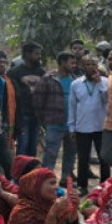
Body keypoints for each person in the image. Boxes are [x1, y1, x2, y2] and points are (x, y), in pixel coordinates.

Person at [33, 51, 77, 181]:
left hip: (72, 125)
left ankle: (66, 179)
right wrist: (45, 121)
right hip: (54, 123)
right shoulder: (48, 79)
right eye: (71, 63)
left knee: (70, 154)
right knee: (51, 153)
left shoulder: (75, 80)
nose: (74, 65)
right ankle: (46, 179)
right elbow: (37, 102)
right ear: (62, 63)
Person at [69, 55, 109, 194]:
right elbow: (72, 106)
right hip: (82, 127)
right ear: (82, 66)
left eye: (93, 64)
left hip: (101, 126)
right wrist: (71, 127)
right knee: (83, 157)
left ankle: (105, 185)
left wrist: (100, 83)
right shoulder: (76, 84)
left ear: (97, 66)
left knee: (103, 157)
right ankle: (82, 186)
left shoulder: (105, 82)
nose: (90, 67)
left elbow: (107, 100)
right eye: (87, 64)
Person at [8, 41, 46, 157]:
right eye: (36, 54)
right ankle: (20, 172)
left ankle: (31, 172)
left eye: (40, 54)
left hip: (37, 114)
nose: (39, 57)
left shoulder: (41, 71)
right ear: (27, 54)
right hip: (22, 113)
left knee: (33, 145)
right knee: (23, 144)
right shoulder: (14, 72)